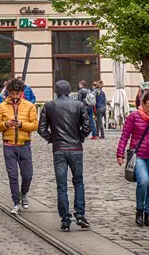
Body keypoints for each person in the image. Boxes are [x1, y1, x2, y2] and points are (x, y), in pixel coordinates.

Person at [38, 80, 92, 232]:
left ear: (55, 91)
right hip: (75, 148)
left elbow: (41, 128)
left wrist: (52, 138)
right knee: (79, 182)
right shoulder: (78, 105)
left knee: (61, 186)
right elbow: (87, 126)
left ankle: (65, 219)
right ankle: (80, 214)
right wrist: (80, 137)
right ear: (69, 90)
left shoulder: (49, 105)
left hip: (59, 149)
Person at [116, 92, 149, 228]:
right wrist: (120, 153)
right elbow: (125, 136)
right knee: (143, 182)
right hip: (139, 155)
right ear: (143, 104)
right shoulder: (134, 117)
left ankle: (148, 214)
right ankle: (139, 211)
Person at [0, 78, 38, 215]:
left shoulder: (29, 106)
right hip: (9, 145)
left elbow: (35, 125)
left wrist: (21, 125)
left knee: (27, 175)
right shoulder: (2, 106)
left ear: (21, 93)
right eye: (12, 93)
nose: (15, 96)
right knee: (12, 175)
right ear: (9, 92)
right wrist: (5, 124)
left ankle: (24, 193)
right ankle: (16, 202)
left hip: (24, 145)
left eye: (17, 94)